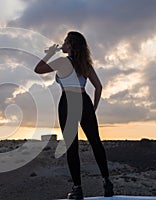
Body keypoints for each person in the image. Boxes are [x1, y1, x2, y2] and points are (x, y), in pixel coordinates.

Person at [34, 31, 114, 199]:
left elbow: (38, 69)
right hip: (84, 101)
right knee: (96, 143)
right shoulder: (85, 64)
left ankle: (78, 189)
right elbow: (98, 87)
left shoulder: (62, 62)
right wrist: (93, 108)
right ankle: (107, 182)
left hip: (68, 102)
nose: (62, 44)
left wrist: (49, 54)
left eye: (65, 41)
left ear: (70, 45)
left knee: (72, 146)